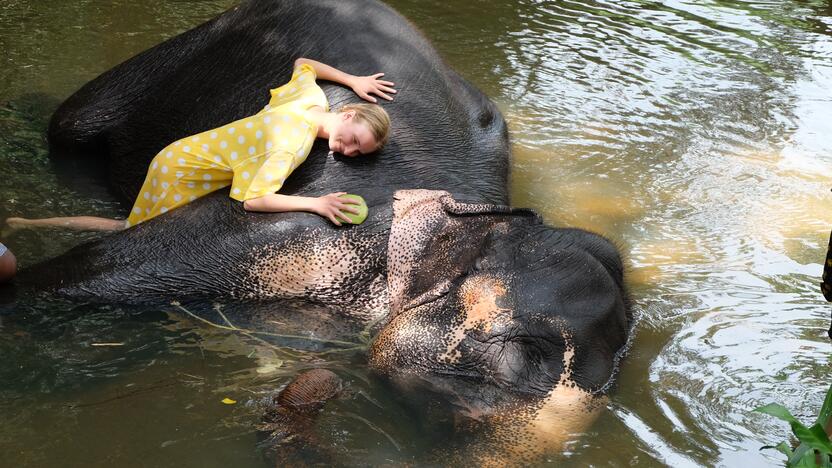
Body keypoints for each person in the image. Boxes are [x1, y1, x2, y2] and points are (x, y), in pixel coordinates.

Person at [6, 58, 394, 231]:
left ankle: (28, 221)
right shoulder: (291, 146)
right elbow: (253, 200)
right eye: (356, 139)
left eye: (360, 153)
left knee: (126, 223)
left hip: (181, 152)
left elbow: (304, 64)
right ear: (349, 115)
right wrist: (316, 203)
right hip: (179, 173)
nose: (351, 151)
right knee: (125, 229)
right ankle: (29, 222)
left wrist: (352, 80)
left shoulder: (311, 101)